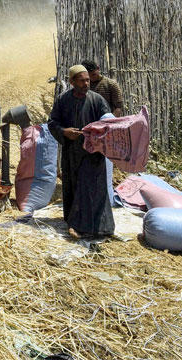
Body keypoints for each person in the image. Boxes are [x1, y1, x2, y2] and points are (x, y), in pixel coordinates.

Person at [47, 64, 114, 239]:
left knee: (94, 188)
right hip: (71, 153)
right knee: (74, 187)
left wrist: (98, 135)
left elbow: (108, 123)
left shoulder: (97, 100)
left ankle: (101, 228)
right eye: (82, 80)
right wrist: (64, 132)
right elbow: (52, 123)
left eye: (87, 80)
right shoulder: (63, 100)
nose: (86, 83)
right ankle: (74, 224)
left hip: (93, 154)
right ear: (72, 82)